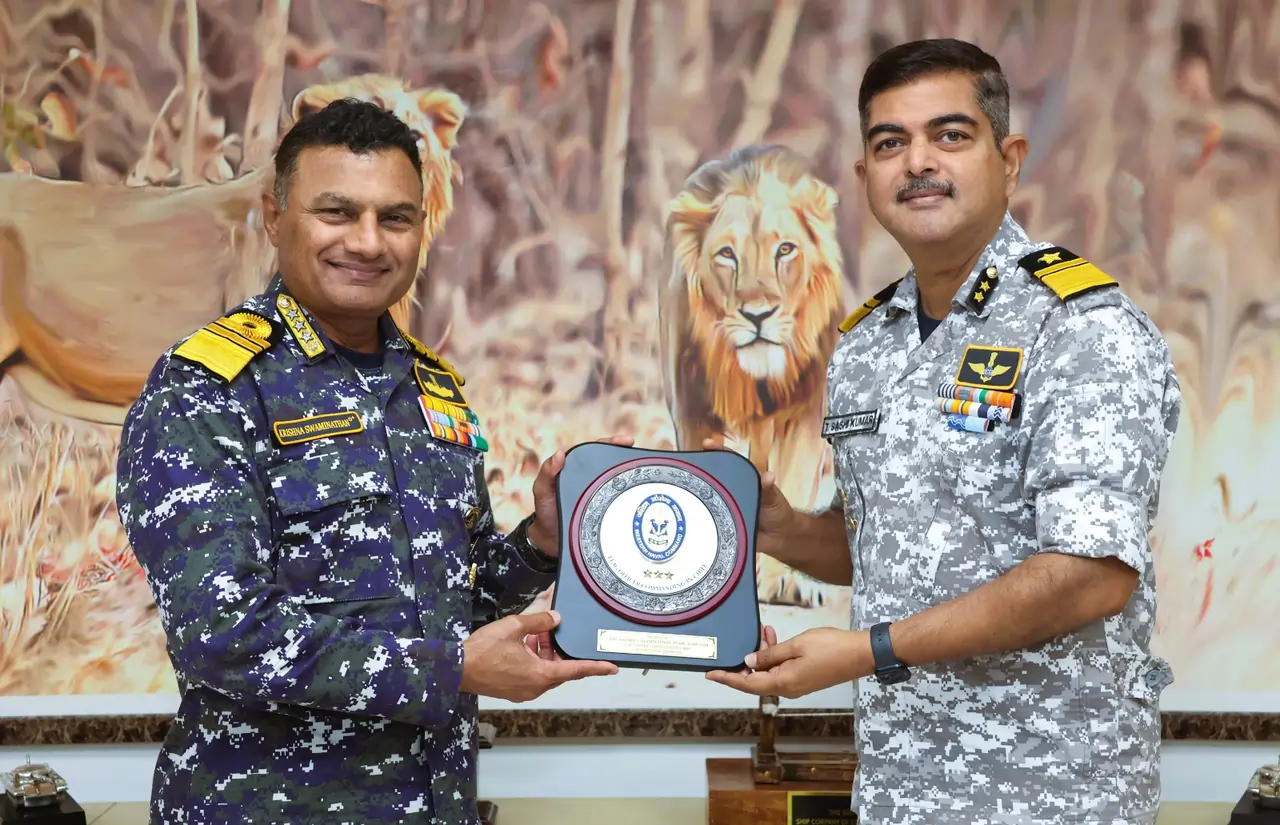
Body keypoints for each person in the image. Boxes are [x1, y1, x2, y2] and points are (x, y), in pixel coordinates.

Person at [705, 38, 1181, 825]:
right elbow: (886, 545)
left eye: (950, 135)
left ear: (1009, 159)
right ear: (865, 175)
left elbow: (1093, 571)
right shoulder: (868, 344)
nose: (918, 161)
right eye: (890, 143)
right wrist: (773, 522)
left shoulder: (1079, 327)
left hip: (1051, 794)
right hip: (902, 788)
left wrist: (869, 650)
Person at [115, 97, 620, 825]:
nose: (368, 241)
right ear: (274, 217)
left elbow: (452, 602)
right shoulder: (209, 388)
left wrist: (538, 546)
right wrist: (454, 670)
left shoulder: (430, 388)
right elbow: (222, 634)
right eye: (337, 212)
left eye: (396, 218)